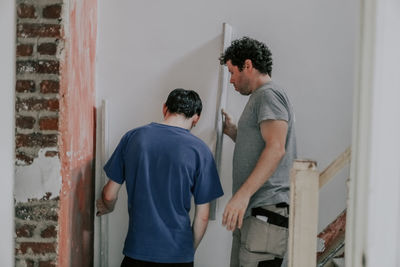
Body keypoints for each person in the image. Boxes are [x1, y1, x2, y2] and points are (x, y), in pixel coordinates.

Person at [96, 88, 224, 267]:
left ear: (165, 108)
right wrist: (186, 251)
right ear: (196, 118)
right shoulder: (200, 151)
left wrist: (106, 206)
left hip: (137, 252)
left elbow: (109, 195)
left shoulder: (133, 137)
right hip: (178, 255)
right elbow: (203, 216)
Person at [219, 37, 297, 267]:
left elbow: (276, 148)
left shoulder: (268, 95)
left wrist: (241, 197)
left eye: (232, 72)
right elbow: (264, 144)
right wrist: (235, 132)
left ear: (248, 65)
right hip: (257, 210)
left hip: (266, 207)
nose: (231, 80)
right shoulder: (261, 97)